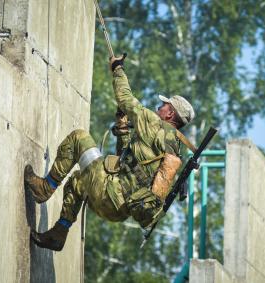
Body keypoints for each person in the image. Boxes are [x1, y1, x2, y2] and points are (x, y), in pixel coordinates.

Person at [26, 54, 195, 251]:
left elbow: (125, 98)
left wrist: (117, 68)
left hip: (108, 193)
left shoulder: (155, 123)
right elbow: (128, 163)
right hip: (117, 210)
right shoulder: (173, 149)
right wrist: (123, 130)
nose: (159, 107)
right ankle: (58, 234)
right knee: (78, 181)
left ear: (170, 114)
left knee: (78, 138)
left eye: (164, 105)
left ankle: (44, 188)